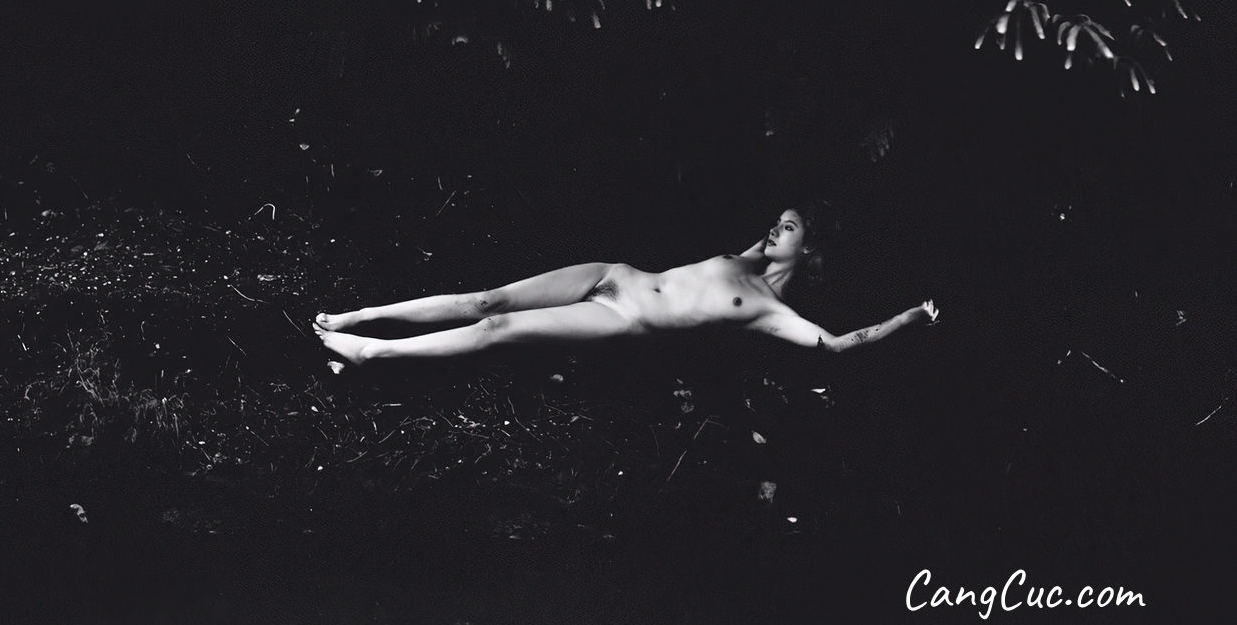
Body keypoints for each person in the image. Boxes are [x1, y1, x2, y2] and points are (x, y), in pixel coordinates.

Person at [313, 208, 937, 364]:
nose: (775, 227)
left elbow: (838, 344)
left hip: (624, 319)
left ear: (811, 250)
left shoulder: (771, 310)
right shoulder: (748, 259)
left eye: (789, 226)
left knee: (495, 328)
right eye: (777, 220)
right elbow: (764, 246)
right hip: (616, 276)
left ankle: (374, 354)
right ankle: (358, 317)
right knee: (486, 299)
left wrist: (907, 319)